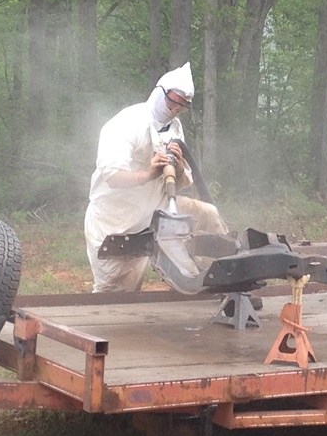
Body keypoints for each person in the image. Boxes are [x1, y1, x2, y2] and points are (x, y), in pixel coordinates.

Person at [84, 62, 229, 293]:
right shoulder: (126, 123)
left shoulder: (175, 128)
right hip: (119, 222)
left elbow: (181, 181)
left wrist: (179, 166)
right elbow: (112, 176)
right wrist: (149, 173)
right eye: (172, 101)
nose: (175, 109)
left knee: (207, 215)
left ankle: (222, 280)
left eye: (182, 105)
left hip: (156, 211)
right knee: (117, 297)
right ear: (159, 92)